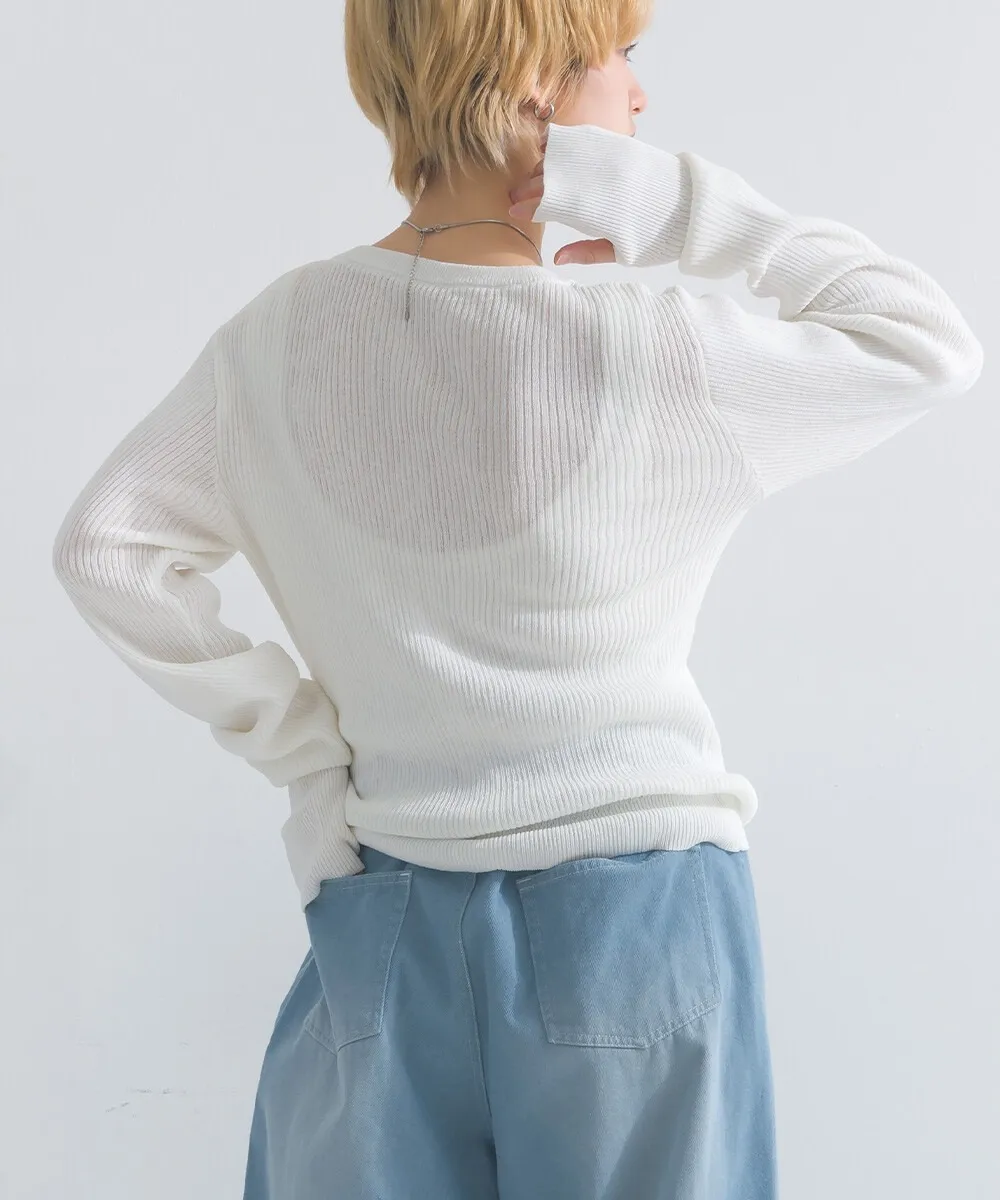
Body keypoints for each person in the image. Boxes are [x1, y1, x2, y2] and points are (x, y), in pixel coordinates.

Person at [50, 2, 984, 1198]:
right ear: (535, 78)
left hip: (384, 904)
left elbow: (109, 549)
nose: (640, 95)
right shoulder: (653, 343)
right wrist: (674, 206)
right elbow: (926, 345)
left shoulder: (273, 340)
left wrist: (306, 760)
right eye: (621, 55)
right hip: (636, 913)